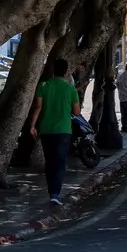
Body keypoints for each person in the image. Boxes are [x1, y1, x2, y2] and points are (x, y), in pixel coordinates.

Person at [34, 58, 80, 205]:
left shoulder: (44, 86)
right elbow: (77, 112)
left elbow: (37, 108)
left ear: (54, 70)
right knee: (59, 162)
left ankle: (51, 192)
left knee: (49, 161)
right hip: (64, 130)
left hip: (46, 129)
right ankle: (55, 194)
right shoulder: (70, 89)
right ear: (66, 71)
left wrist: (32, 125)